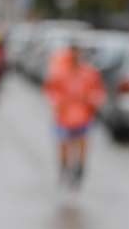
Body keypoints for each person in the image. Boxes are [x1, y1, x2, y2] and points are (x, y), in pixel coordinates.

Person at [43, 42, 105, 189]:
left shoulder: (89, 73)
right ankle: (63, 169)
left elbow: (98, 92)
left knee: (82, 144)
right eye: (73, 53)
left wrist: (93, 101)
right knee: (64, 145)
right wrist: (57, 103)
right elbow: (51, 91)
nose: (76, 57)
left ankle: (79, 171)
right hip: (64, 116)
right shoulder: (60, 73)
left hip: (83, 116)